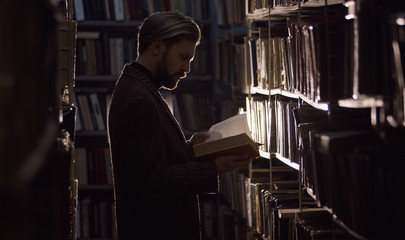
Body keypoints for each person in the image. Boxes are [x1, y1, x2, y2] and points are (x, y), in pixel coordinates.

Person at [107, 11, 252, 240]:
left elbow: (148, 159)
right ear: (157, 47)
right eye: (183, 57)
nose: (186, 69)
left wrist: (189, 149)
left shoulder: (140, 87)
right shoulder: (138, 98)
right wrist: (215, 167)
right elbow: (154, 181)